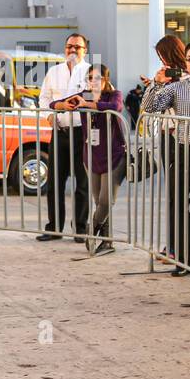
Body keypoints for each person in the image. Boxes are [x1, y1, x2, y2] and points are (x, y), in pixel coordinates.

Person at [142, 39, 190, 277]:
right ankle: (185, 261)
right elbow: (150, 108)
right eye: (189, 59)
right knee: (184, 206)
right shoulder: (175, 88)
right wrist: (156, 83)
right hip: (183, 151)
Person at [54, 64, 126, 254]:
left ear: (106, 80)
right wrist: (65, 105)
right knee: (98, 201)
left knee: (105, 201)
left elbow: (116, 107)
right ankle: (108, 242)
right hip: (92, 157)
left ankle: (91, 229)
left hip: (115, 155)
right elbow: (54, 104)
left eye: (98, 78)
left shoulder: (114, 94)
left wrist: (87, 105)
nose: (93, 82)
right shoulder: (83, 95)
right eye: (90, 78)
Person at [37, 33, 91, 243]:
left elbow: (98, 97)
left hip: (82, 133)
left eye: (77, 47)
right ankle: (53, 228)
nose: (72, 50)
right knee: (54, 183)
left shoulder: (91, 72)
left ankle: (80, 228)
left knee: (83, 183)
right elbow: (44, 98)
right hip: (59, 132)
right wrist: (50, 114)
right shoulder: (54, 71)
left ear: (85, 50)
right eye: (69, 46)